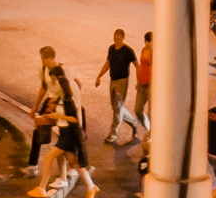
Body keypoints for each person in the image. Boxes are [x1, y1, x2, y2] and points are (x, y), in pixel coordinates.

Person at [31, 69, 100, 198]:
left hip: (68, 135)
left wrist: (58, 115)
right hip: (63, 132)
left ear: (61, 85)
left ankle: (41, 188)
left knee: (48, 157)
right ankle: (91, 186)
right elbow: (62, 117)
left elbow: (75, 119)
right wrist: (51, 117)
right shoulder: (61, 99)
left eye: (55, 82)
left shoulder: (68, 100)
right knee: (75, 163)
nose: (53, 85)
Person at [94, 29, 141, 143]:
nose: (116, 42)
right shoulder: (111, 48)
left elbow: (137, 65)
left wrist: (139, 81)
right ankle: (134, 122)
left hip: (122, 81)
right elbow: (108, 63)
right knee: (116, 107)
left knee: (118, 108)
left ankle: (113, 134)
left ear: (123, 39)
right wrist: (99, 76)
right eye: (115, 39)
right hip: (113, 80)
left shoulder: (128, 51)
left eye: (119, 40)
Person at [132, 32, 153, 139]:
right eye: (149, 41)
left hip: (151, 86)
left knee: (151, 113)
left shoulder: (156, 53)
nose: (151, 44)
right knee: (138, 110)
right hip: (141, 84)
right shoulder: (143, 50)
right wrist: (138, 80)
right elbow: (141, 66)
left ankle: (152, 133)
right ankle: (148, 128)